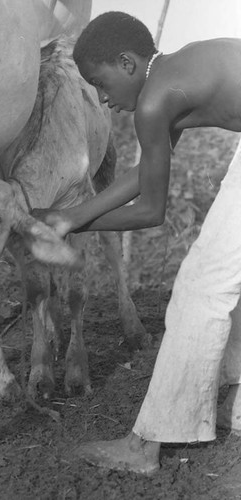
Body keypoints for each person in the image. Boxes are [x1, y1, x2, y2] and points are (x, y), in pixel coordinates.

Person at [32, 11, 241, 474]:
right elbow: (145, 171)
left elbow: (151, 210)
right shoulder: (174, 72)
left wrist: (76, 226)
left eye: (100, 85)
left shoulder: (155, 100)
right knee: (226, 278)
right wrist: (72, 215)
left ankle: (148, 441)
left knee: (202, 287)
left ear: (127, 63)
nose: (103, 101)